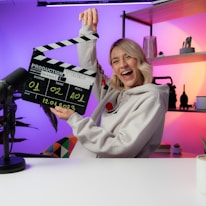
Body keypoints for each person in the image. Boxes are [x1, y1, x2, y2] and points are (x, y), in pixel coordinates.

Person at [50, 8, 169, 158]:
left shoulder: (152, 97)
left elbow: (122, 147)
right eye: (115, 61)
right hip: (82, 169)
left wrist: (74, 119)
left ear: (139, 59)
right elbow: (89, 66)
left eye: (128, 57)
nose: (123, 65)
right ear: (112, 68)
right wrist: (88, 31)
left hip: (112, 176)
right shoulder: (110, 92)